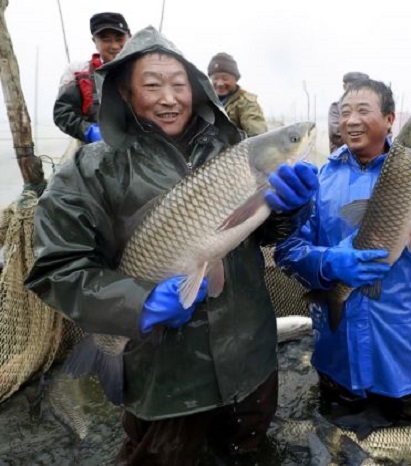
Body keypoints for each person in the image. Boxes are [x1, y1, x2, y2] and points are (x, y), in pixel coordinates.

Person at [25, 26, 318, 465]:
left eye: (179, 85)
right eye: (152, 85)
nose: (169, 98)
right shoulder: (90, 169)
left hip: (250, 359)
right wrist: (139, 303)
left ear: (197, 89)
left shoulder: (234, 147)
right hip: (166, 380)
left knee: (248, 452)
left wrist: (288, 210)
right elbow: (57, 268)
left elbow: (264, 235)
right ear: (124, 93)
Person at [274, 79, 411, 425]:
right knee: (340, 445)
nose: (351, 120)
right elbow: (288, 251)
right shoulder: (321, 178)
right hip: (339, 359)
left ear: (390, 120)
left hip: (408, 357)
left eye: (362, 110)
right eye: (344, 113)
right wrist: (328, 264)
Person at [53, 12, 132, 143]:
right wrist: (89, 131)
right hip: (97, 152)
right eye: (106, 39)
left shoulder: (146, 71)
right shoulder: (80, 73)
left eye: (119, 38)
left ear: (129, 37)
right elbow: (63, 113)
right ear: (94, 41)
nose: (114, 46)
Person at [207, 52, 268, 137]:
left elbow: (258, 136)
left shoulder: (246, 102)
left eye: (225, 78)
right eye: (215, 78)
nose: (220, 83)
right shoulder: (203, 101)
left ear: (236, 79)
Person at [327, 71, 369, 153]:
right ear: (344, 86)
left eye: (360, 87)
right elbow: (336, 135)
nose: (356, 91)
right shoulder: (336, 107)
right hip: (342, 159)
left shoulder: (373, 108)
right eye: (352, 87)